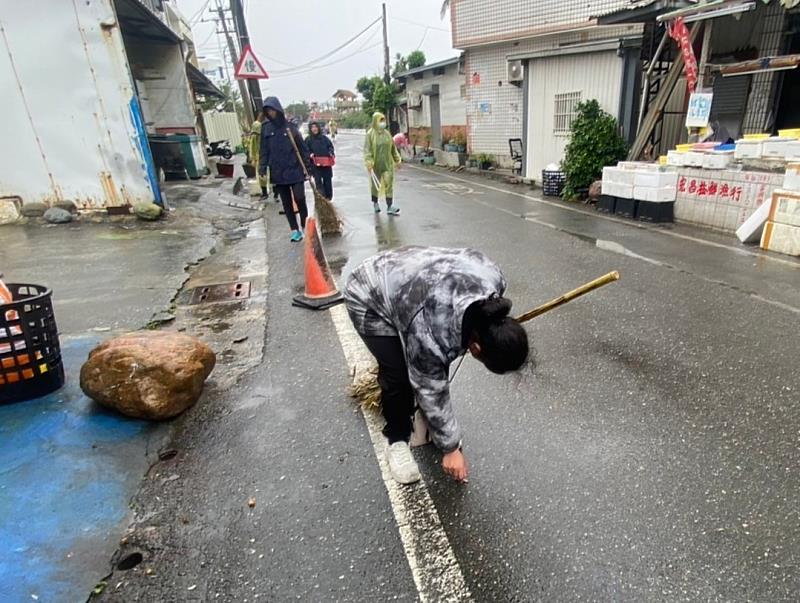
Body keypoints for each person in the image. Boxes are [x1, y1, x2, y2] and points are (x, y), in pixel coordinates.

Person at [344, 246, 529, 485]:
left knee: (438, 354)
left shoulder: (495, 283)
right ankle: (397, 440)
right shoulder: (430, 329)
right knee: (398, 375)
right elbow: (431, 384)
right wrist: (451, 448)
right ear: (476, 349)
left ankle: (428, 417)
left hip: (409, 272)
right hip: (369, 291)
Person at [259, 97, 315, 242]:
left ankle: (304, 225)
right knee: (286, 203)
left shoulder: (290, 127)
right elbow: (263, 150)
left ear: (278, 109)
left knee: (300, 198)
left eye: (272, 110)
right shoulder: (265, 128)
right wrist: (262, 167)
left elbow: (303, 149)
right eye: (268, 111)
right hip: (278, 172)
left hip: (295, 170)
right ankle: (294, 230)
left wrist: (308, 169)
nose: (270, 113)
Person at [364, 112, 401, 215]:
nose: (383, 122)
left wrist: (397, 160)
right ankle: (375, 203)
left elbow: (393, 149)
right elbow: (367, 150)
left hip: (387, 164)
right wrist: (369, 162)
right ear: (375, 121)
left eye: (383, 120)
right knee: (375, 185)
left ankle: (390, 206)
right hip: (375, 165)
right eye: (380, 120)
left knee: (389, 184)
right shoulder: (370, 134)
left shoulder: (387, 134)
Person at [305, 121, 335, 201]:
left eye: (316, 127)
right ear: (310, 129)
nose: (314, 129)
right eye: (312, 127)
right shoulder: (308, 140)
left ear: (318, 128)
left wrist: (331, 153)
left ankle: (328, 199)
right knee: (318, 183)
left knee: (328, 182)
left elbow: (330, 147)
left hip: (326, 164)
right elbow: (305, 151)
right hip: (315, 165)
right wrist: (310, 154)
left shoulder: (324, 138)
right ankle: (322, 200)